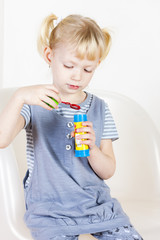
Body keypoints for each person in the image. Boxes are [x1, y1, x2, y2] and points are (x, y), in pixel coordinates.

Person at [0, 13, 143, 240]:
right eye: (69, 65)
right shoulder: (36, 101)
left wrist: (93, 149)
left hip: (97, 207)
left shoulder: (99, 108)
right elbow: (2, 139)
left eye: (88, 70)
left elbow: (108, 170)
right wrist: (19, 97)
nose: (77, 75)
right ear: (50, 56)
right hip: (50, 211)